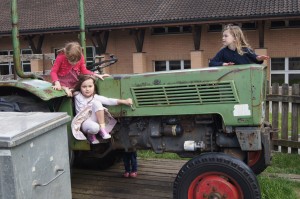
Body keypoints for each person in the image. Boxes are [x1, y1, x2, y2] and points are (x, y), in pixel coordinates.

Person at [73, 75, 132, 143]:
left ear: (94, 86)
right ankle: (90, 135)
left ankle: (102, 129)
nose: (87, 89)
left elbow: (109, 100)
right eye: (84, 87)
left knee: (97, 103)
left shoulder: (95, 97)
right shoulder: (77, 95)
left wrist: (124, 101)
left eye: (90, 86)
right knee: (94, 128)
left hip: (93, 119)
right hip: (84, 122)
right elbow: (67, 89)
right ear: (80, 87)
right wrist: (66, 89)